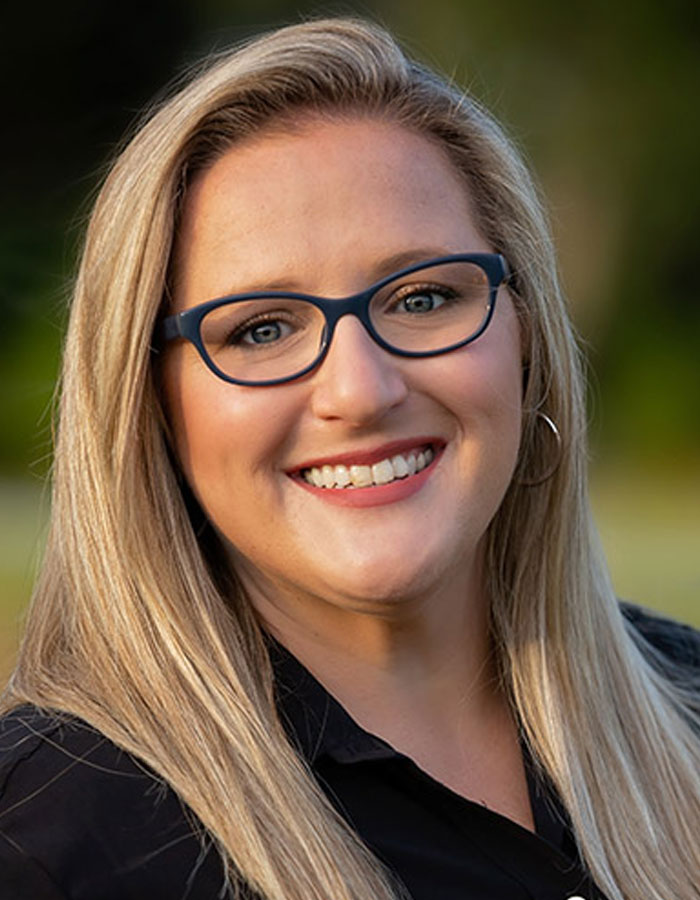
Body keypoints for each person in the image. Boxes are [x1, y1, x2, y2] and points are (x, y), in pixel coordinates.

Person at [0, 17, 698, 900]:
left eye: (423, 296)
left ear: (525, 341)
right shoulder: (50, 846)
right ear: (150, 407)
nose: (360, 391)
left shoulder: (691, 705)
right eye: (260, 328)